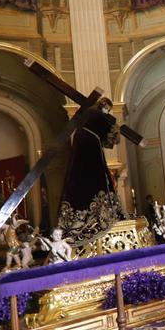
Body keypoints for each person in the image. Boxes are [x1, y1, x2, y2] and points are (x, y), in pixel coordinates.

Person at [56, 96, 126, 243]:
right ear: (104, 106)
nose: (108, 112)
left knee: (79, 179)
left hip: (80, 150)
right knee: (97, 178)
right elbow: (112, 137)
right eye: (108, 109)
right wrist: (115, 127)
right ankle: (102, 218)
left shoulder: (86, 114)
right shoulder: (98, 115)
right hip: (91, 148)